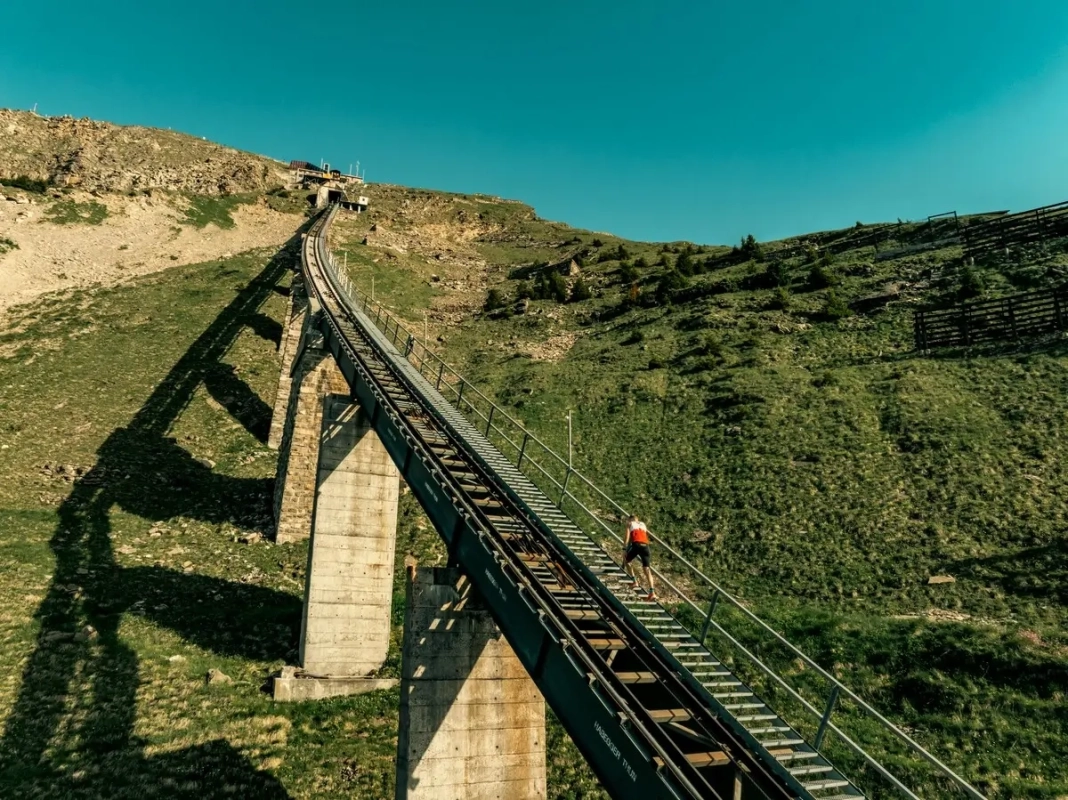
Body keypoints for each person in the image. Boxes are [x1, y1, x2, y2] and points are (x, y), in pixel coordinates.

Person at [623, 514, 656, 600]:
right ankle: (652, 592)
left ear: (630, 520)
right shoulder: (643, 524)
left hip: (637, 545)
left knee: (627, 560)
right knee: (647, 569)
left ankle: (634, 581)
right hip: (646, 546)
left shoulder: (630, 524)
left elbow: (627, 537)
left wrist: (624, 547)